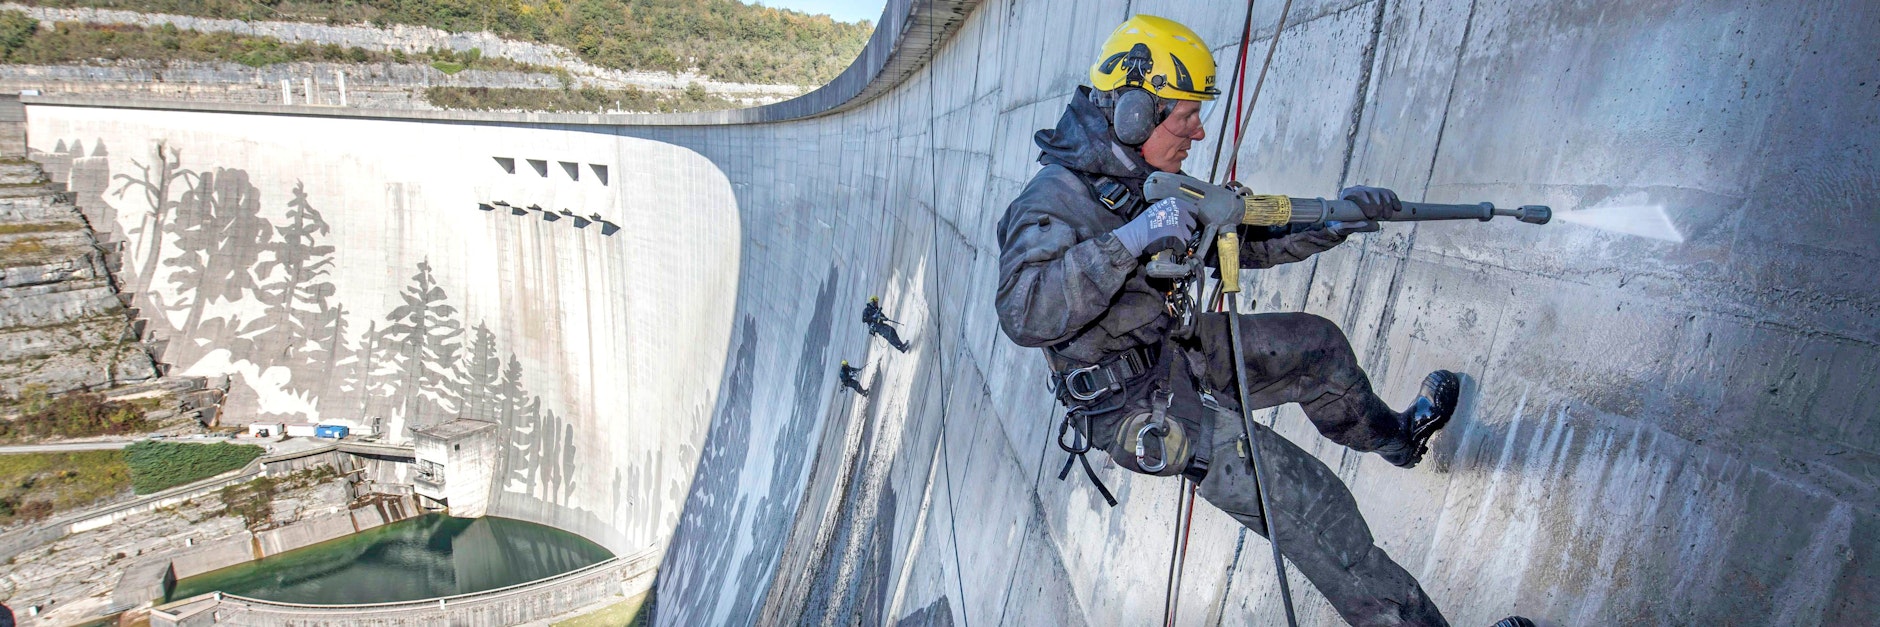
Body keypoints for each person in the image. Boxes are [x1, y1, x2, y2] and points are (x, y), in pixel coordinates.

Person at [993, 14, 1530, 627]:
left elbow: (1240, 234)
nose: (1197, 131)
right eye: (1185, 115)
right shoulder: (1053, 200)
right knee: (1315, 513)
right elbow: (1023, 309)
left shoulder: (1140, 174)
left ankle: (1396, 439)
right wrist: (1131, 241)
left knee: (1316, 348)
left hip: (1172, 351)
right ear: (1135, 112)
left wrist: (1336, 218)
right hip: (1137, 404)